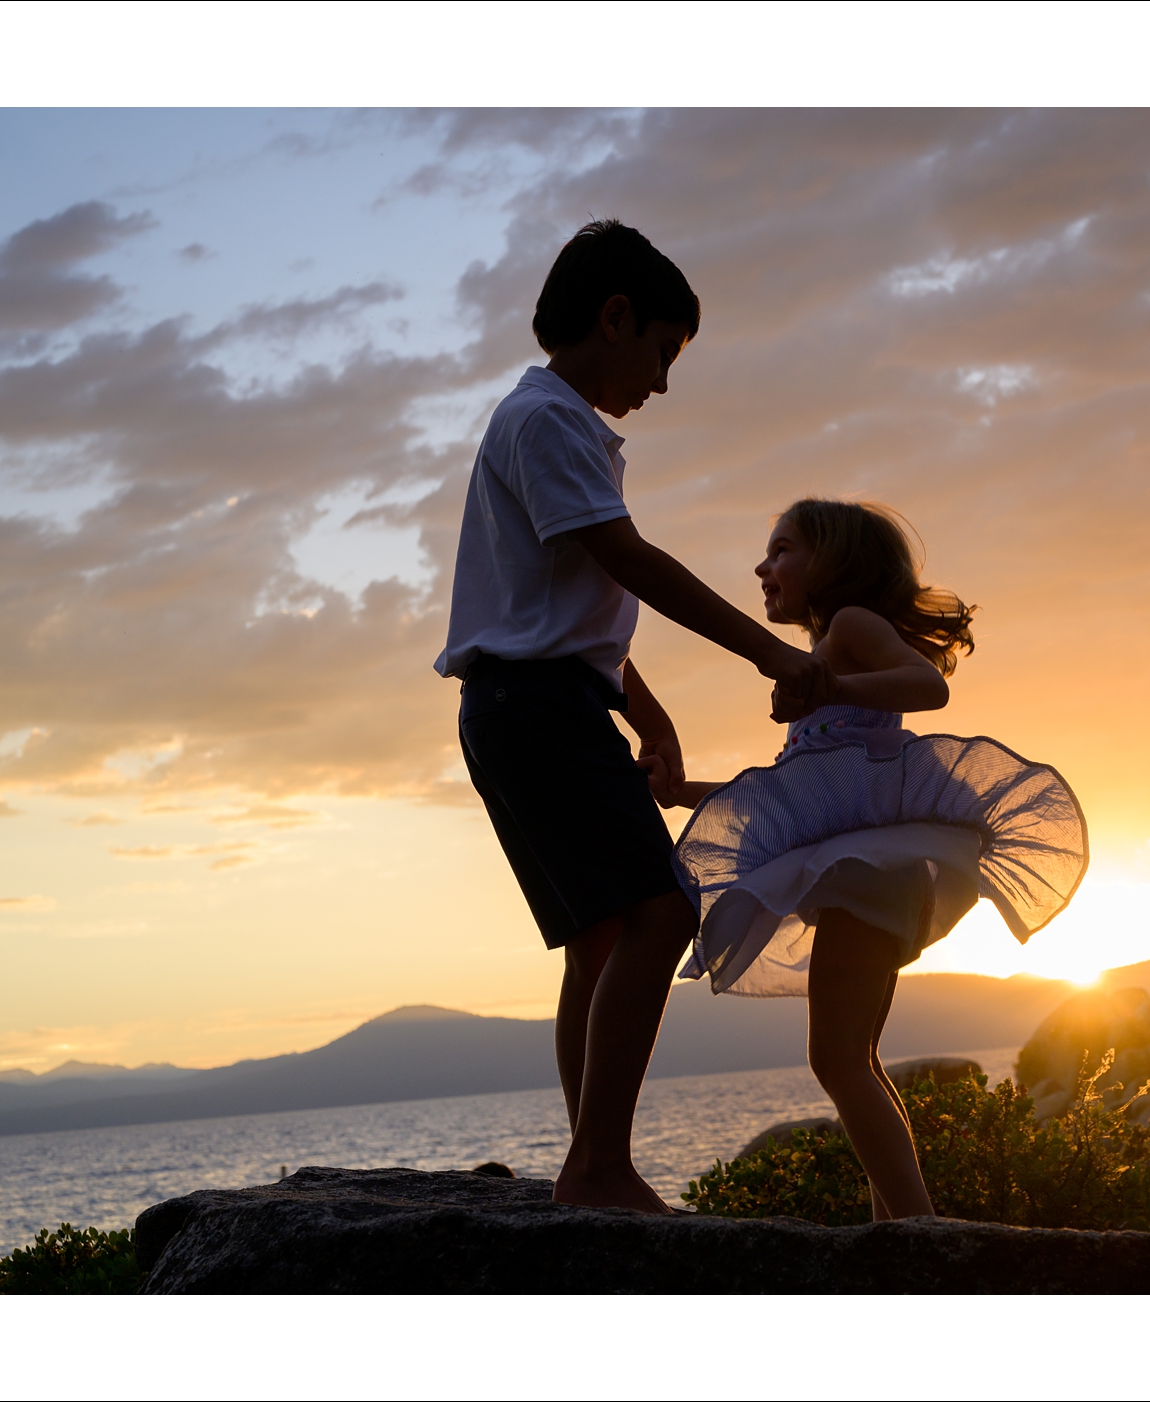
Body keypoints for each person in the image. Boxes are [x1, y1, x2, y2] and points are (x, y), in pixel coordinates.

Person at [436, 220, 833, 1214]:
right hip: (534, 710)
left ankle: (589, 1162)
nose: (660, 383)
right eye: (660, 352)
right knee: (660, 911)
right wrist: (768, 648)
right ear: (615, 318)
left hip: (538, 702)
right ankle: (597, 1168)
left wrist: (646, 713)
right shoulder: (548, 421)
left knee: (604, 936)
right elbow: (630, 563)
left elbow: (571, 606)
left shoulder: (555, 425)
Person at [646, 499, 1089, 1220]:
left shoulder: (850, 630)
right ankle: (898, 1226)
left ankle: (915, 1230)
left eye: (782, 549)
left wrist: (831, 685)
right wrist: (682, 794)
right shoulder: (826, 658)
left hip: (869, 877)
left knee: (838, 1060)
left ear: (836, 562)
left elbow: (929, 686)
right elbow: (789, 790)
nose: (763, 566)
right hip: (868, 878)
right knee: (859, 1060)